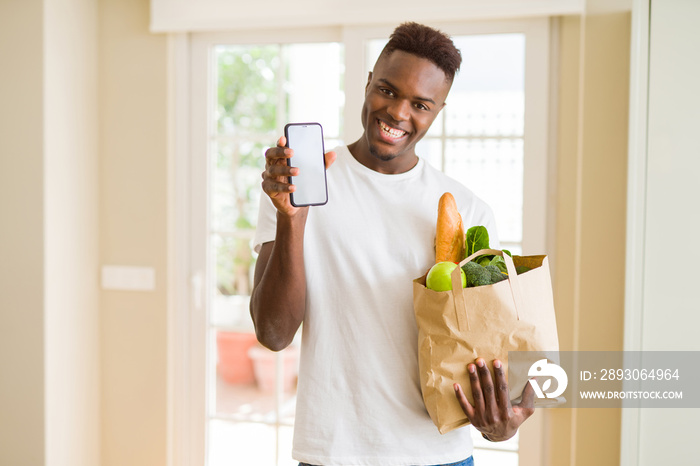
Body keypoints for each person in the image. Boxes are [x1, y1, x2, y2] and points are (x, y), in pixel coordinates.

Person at [251, 22, 535, 466]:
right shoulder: (296, 188)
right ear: (367, 83)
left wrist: (503, 421)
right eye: (387, 90)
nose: (399, 113)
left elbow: (492, 348)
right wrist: (292, 221)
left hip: (439, 454)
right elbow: (273, 334)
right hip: (331, 452)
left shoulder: (467, 211)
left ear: (438, 109)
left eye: (420, 104)